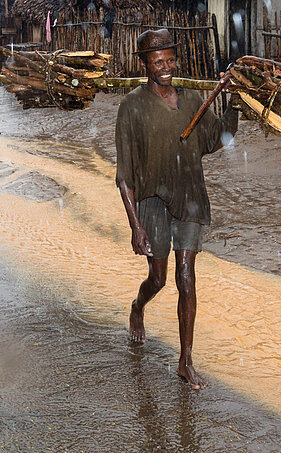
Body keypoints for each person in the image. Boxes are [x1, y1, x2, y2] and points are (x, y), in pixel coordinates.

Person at [115, 28, 238, 390]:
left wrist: (231, 104)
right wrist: (136, 226)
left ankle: (185, 360)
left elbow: (219, 140)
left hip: (189, 197)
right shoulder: (132, 107)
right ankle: (139, 307)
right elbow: (124, 175)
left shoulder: (191, 99)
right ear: (144, 65)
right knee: (160, 278)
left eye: (170, 60)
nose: (165, 67)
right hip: (152, 200)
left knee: (187, 276)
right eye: (157, 61)